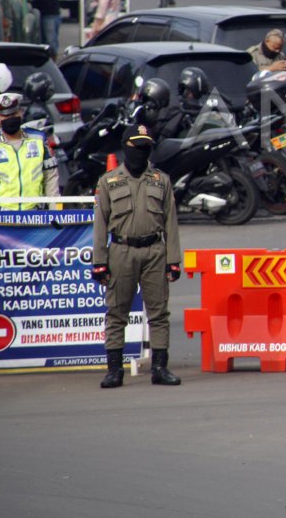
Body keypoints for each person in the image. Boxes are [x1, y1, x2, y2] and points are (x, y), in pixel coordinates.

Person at [91, 123, 182, 388]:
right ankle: (114, 369)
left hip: (155, 251)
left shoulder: (160, 180)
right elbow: (100, 223)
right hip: (121, 251)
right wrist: (99, 261)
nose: (142, 153)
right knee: (117, 312)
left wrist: (173, 260)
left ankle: (159, 368)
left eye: (146, 148)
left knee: (159, 313)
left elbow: (170, 223)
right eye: (137, 147)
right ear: (125, 148)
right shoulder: (109, 181)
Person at [0, 93, 59, 208]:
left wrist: (56, 213)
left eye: (13, 114)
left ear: (21, 113)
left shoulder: (39, 139)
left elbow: (51, 179)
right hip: (2, 219)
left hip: (35, 217)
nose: (10, 118)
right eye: (5, 116)